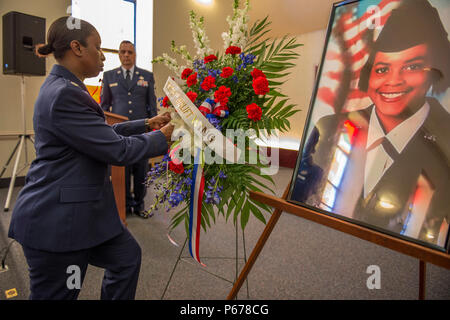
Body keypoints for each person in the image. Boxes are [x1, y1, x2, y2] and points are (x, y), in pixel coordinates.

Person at [8, 16, 174, 300]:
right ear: (77, 47)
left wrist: (146, 125)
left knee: (126, 258)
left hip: (83, 212)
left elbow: (99, 133)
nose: (103, 55)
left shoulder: (68, 87)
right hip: (56, 220)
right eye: (98, 47)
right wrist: (164, 137)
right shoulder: (64, 94)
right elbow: (117, 150)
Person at [290, 0, 450, 248]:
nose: (393, 81)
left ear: (434, 73)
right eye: (382, 68)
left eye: (412, 66)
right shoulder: (329, 127)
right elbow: (305, 192)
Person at [101, 41, 156, 218]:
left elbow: (151, 106)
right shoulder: (109, 76)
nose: (126, 55)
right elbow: (105, 106)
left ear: (135, 55)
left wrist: (153, 129)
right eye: (123, 52)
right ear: (118, 54)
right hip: (119, 133)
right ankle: (123, 205)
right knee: (120, 171)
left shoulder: (146, 76)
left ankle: (139, 204)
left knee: (141, 170)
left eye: (130, 52)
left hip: (141, 132)